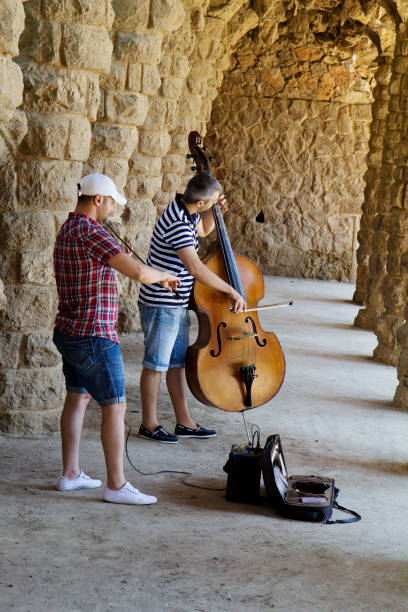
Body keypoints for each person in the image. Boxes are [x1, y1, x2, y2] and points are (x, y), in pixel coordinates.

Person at [52, 173, 180, 505]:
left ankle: (70, 474)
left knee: (77, 398)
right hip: (95, 334)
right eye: (110, 202)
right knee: (116, 405)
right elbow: (137, 272)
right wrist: (165, 275)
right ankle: (116, 484)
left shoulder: (68, 228)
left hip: (69, 330)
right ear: (98, 200)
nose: (111, 209)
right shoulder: (91, 231)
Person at [137, 172, 246, 443]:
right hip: (161, 304)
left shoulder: (185, 210)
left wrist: (215, 210)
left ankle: (184, 421)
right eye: (209, 203)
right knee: (155, 365)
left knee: (175, 364)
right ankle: (148, 424)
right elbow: (195, 267)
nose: (210, 206)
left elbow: (204, 229)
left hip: (176, 302)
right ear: (199, 202)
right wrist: (230, 290)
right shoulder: (177, 223)